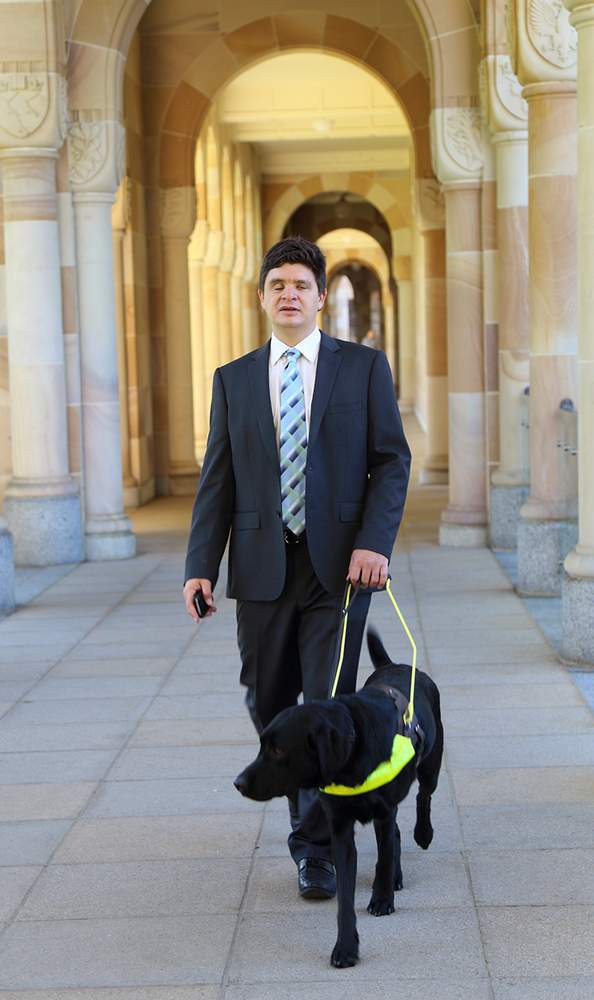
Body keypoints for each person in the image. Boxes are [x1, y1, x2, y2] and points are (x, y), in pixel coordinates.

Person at [183, 235, 411, 900]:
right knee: (269, 701)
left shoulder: (364, 369)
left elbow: (391, 461)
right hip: (258, 566)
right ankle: (306, 804)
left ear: (318, 297)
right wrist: (201, 564)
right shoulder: (233, 379)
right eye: (277, 284)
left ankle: (316, 846)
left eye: (301, 285)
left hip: (340, 569)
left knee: (325, 704)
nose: (289, 294)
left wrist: (375, 542)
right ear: (262, 297)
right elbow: (215, 480)